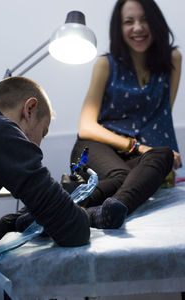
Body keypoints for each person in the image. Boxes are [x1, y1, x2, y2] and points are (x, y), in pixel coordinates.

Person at [70, 0, 182, 230]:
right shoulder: (106, 64)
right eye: (128, 22)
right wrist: (138, 148)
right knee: (121, 174)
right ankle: (72, 209)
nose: (138, 28)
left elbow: (161, 116)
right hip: (97, 146)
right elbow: (86, 127)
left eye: (144, 20)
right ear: (118, 29)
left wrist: (162, 157)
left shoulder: (173, 60)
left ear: (156, 23)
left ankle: (104, 212)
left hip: (142, 157)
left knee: (164, 155)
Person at [0, 76, 90, 248]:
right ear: (30, 109)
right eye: (43, 132)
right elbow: (74, 229)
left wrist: (11, 223)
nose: (39, 146)